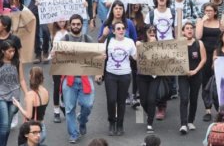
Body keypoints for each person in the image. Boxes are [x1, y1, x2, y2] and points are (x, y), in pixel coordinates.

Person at [58, 14, 96, 144]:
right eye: (73, 24)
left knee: (88, 105)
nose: (75, 26)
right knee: (69, 109)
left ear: (81, 25)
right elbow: (57, 58)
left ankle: (82, 120)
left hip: (85, 78)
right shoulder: (65, 39)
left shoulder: (87, 39)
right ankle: (73, 134)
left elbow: (95, 57)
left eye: (78, 24)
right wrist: (54, 54)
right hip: (69, 80)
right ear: (70, 25)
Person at [103, 20, 137, 136]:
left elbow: (136, 57)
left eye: (123, 28)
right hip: (110, 74)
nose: (121, 30)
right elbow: (100, 56)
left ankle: (120, 124)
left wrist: (142, 48)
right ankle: (112, 122)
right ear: (113, 31)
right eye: (118, 28)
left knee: (121, 101)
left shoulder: (130, 42)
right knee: (111, 100)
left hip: (125, 75)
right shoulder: (109, 41)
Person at [178, 22, 207, 134]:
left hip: (196, 74)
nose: (189, 30)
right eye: (187, 28)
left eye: (191, 28)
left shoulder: (199, 43)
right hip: (183, 75)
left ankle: (190, 121)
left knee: (193, 98)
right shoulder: (179, 44)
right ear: (183, 31)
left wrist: (195, 70)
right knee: (184, 98)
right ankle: (183, 124)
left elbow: (203, 59)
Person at [0, 40, 28, 146]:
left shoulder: (17, 62)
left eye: (13, 51)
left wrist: (27, 94)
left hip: (14, 98)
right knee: (4, 125)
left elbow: (21, 80)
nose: (12, 53)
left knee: (7, 129)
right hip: (1, 96)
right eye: (9, 51)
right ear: (3, 51)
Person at [13, 67, 49, 143]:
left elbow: (29, 116)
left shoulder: (31, 95)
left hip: (32, 131)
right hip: (42, 128)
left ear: (31, 77)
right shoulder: (46, 91)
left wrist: (18, 105)